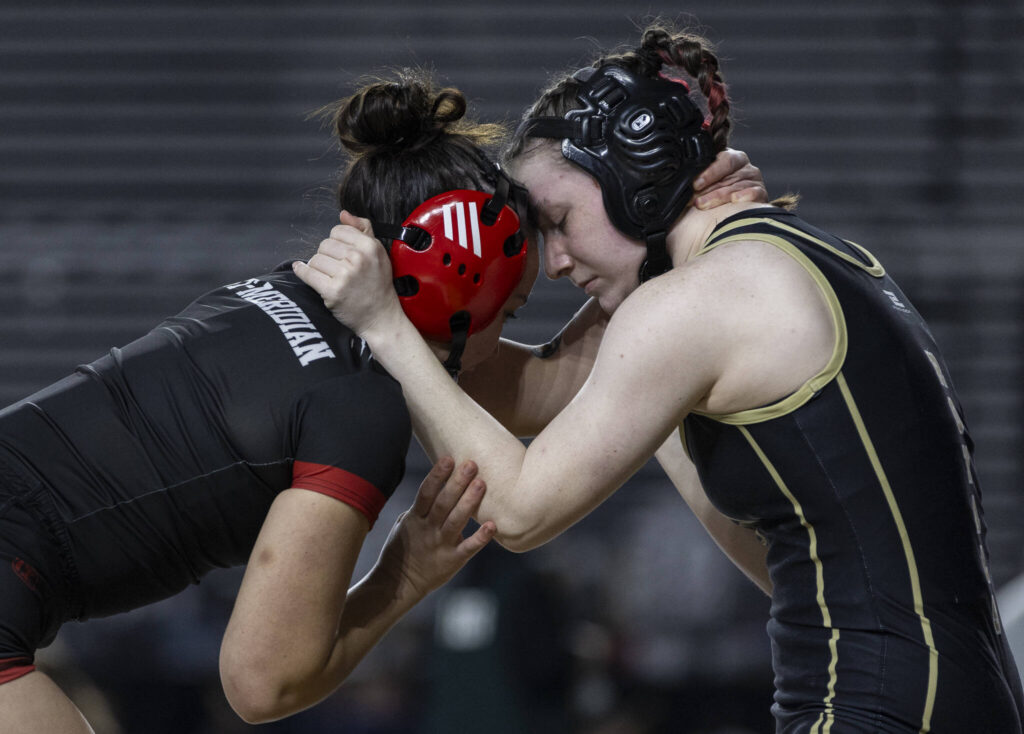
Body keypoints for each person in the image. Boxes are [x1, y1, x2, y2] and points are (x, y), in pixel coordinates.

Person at [295, 25, 1024, 734]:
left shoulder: (693, 305)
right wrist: (424, 308)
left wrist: (386, 326)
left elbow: (516, 513)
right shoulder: (799, 263)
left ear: (637, 183)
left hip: (872, 706)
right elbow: (541, 391)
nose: (552, 263)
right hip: (951, 695)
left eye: (558, 220)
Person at [0, 69, 761, 734]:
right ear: (462, 293)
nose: (513, 334)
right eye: (516, 311)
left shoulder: (279, 297)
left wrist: (666, 240)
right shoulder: (355, 410)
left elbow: (549, 386)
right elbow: (262, 683)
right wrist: (409, 571)